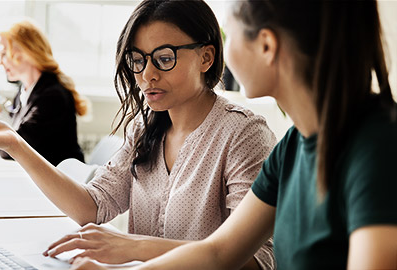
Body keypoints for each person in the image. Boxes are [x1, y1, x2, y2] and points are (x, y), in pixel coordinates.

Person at [0, 0, 277, 269]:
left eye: (164, 58)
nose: (147, 75)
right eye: (138, 60)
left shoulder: (243, 133)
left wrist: (134, 247)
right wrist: (14, 142)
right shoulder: (145, 129)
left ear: (206, 57)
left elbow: (256, 262)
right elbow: (92, 207)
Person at [67, 0, 397, 269]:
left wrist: (135, 247)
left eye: (231, 32)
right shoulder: (294, 145)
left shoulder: (378, 148)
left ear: (266, 45)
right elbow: (219, 253)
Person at [0, 20, 87, 166]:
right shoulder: (25, 91)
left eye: (4, 53)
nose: (0, 62)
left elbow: (12, 148)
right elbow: (14, 138)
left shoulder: (52, 96)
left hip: (63, 181)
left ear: (27, 51)